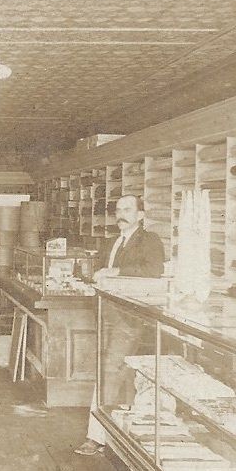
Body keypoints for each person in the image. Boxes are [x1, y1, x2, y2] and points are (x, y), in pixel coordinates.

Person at [75, 194, 164, 456]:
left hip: (129, 320)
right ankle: (115, 436)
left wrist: (115, 272)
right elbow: (101, 271)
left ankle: (96, 437)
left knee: (110, 371)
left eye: (127, 209)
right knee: (109, 371)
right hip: (106, 315)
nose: (120, 214)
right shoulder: (111, 242)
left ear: (140, 215)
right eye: (117, 210)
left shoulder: (149, 240)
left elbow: (153, 270)